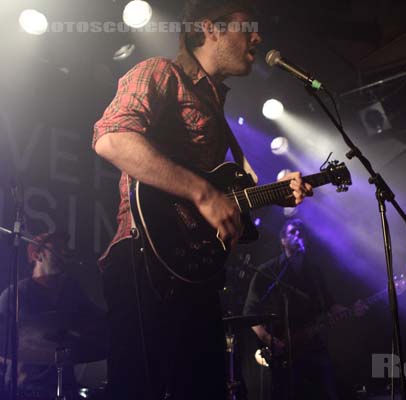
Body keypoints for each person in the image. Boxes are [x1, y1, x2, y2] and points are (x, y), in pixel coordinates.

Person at [92, 1, 313, 399]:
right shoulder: (160, 72)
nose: (257, 37)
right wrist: (204, 193)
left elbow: (219, 201)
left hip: (194, 272)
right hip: (144, 263)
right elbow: (112, 139)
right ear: (210, 28)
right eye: (248, 27)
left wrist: (278, 192)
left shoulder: (216, 106)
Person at [243, 219, 366, 400]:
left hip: (313, 346)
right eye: (293, 232)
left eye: (301, 232)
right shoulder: (268, 270)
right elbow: (250, 312)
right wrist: (269, 339)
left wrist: (352, 310)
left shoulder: (314, 271)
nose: (298, 235)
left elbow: (329, 305)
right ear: (283, 240)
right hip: (284, 350)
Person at [0, 232, 103, 396]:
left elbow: (98, 326)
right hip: (26, 390)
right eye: (57, 249)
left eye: (65, 249)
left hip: (67, 388)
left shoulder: (73, 292)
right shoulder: (16, 295)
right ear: (37, 255)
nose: (64, 253)